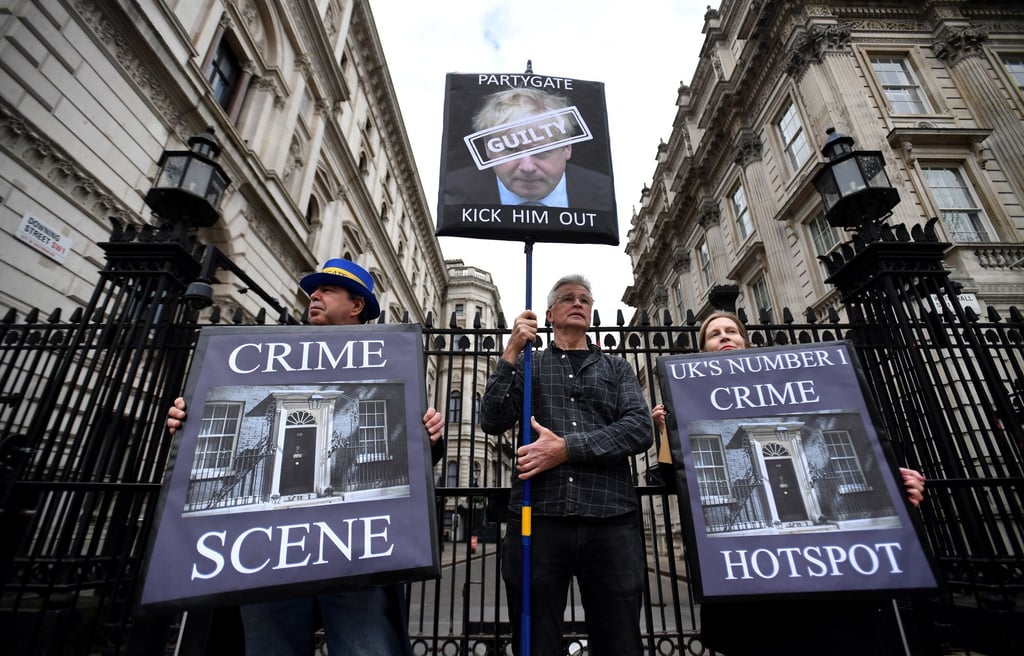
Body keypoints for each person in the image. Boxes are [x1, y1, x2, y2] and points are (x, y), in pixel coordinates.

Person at [166, 258, 445, 656]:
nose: (314, 295)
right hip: (270, 550)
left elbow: (404, 450)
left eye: (328, 289)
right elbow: (232, 413)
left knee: (366, 648)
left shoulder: (390, 359)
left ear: (357, 305)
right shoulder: (267, 354)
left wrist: (430, 439)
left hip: (355, 551)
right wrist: (189, 425)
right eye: (313, 290)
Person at [656, 311, 926, 656]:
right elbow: (674, 481)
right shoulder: (686, 402)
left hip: (828, 590)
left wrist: (898, 485)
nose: (724, 337)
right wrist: (666, 432)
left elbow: (869, 447)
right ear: (703, 351)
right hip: (751, 593)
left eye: (731, 331)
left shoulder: (800, 379)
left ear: (745, 341)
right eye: (713, 335)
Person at [478, 274, 653, 656]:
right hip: (538, 517)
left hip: (610, 519)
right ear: (549, 313)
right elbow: (491, 420)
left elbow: (639, 429)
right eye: (568, 298)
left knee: (620, 642)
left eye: (586, 300)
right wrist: (511, 351)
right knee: (536, 642)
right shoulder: (529, 366)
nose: (579, 304)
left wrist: (566, 449)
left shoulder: (617, 369)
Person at [443, 87, 613, 209]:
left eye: (541, 151)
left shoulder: (603, 194)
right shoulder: (456, 194)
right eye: (511, 149)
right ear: (488, 149)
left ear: (567, 147)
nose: (527, 167)